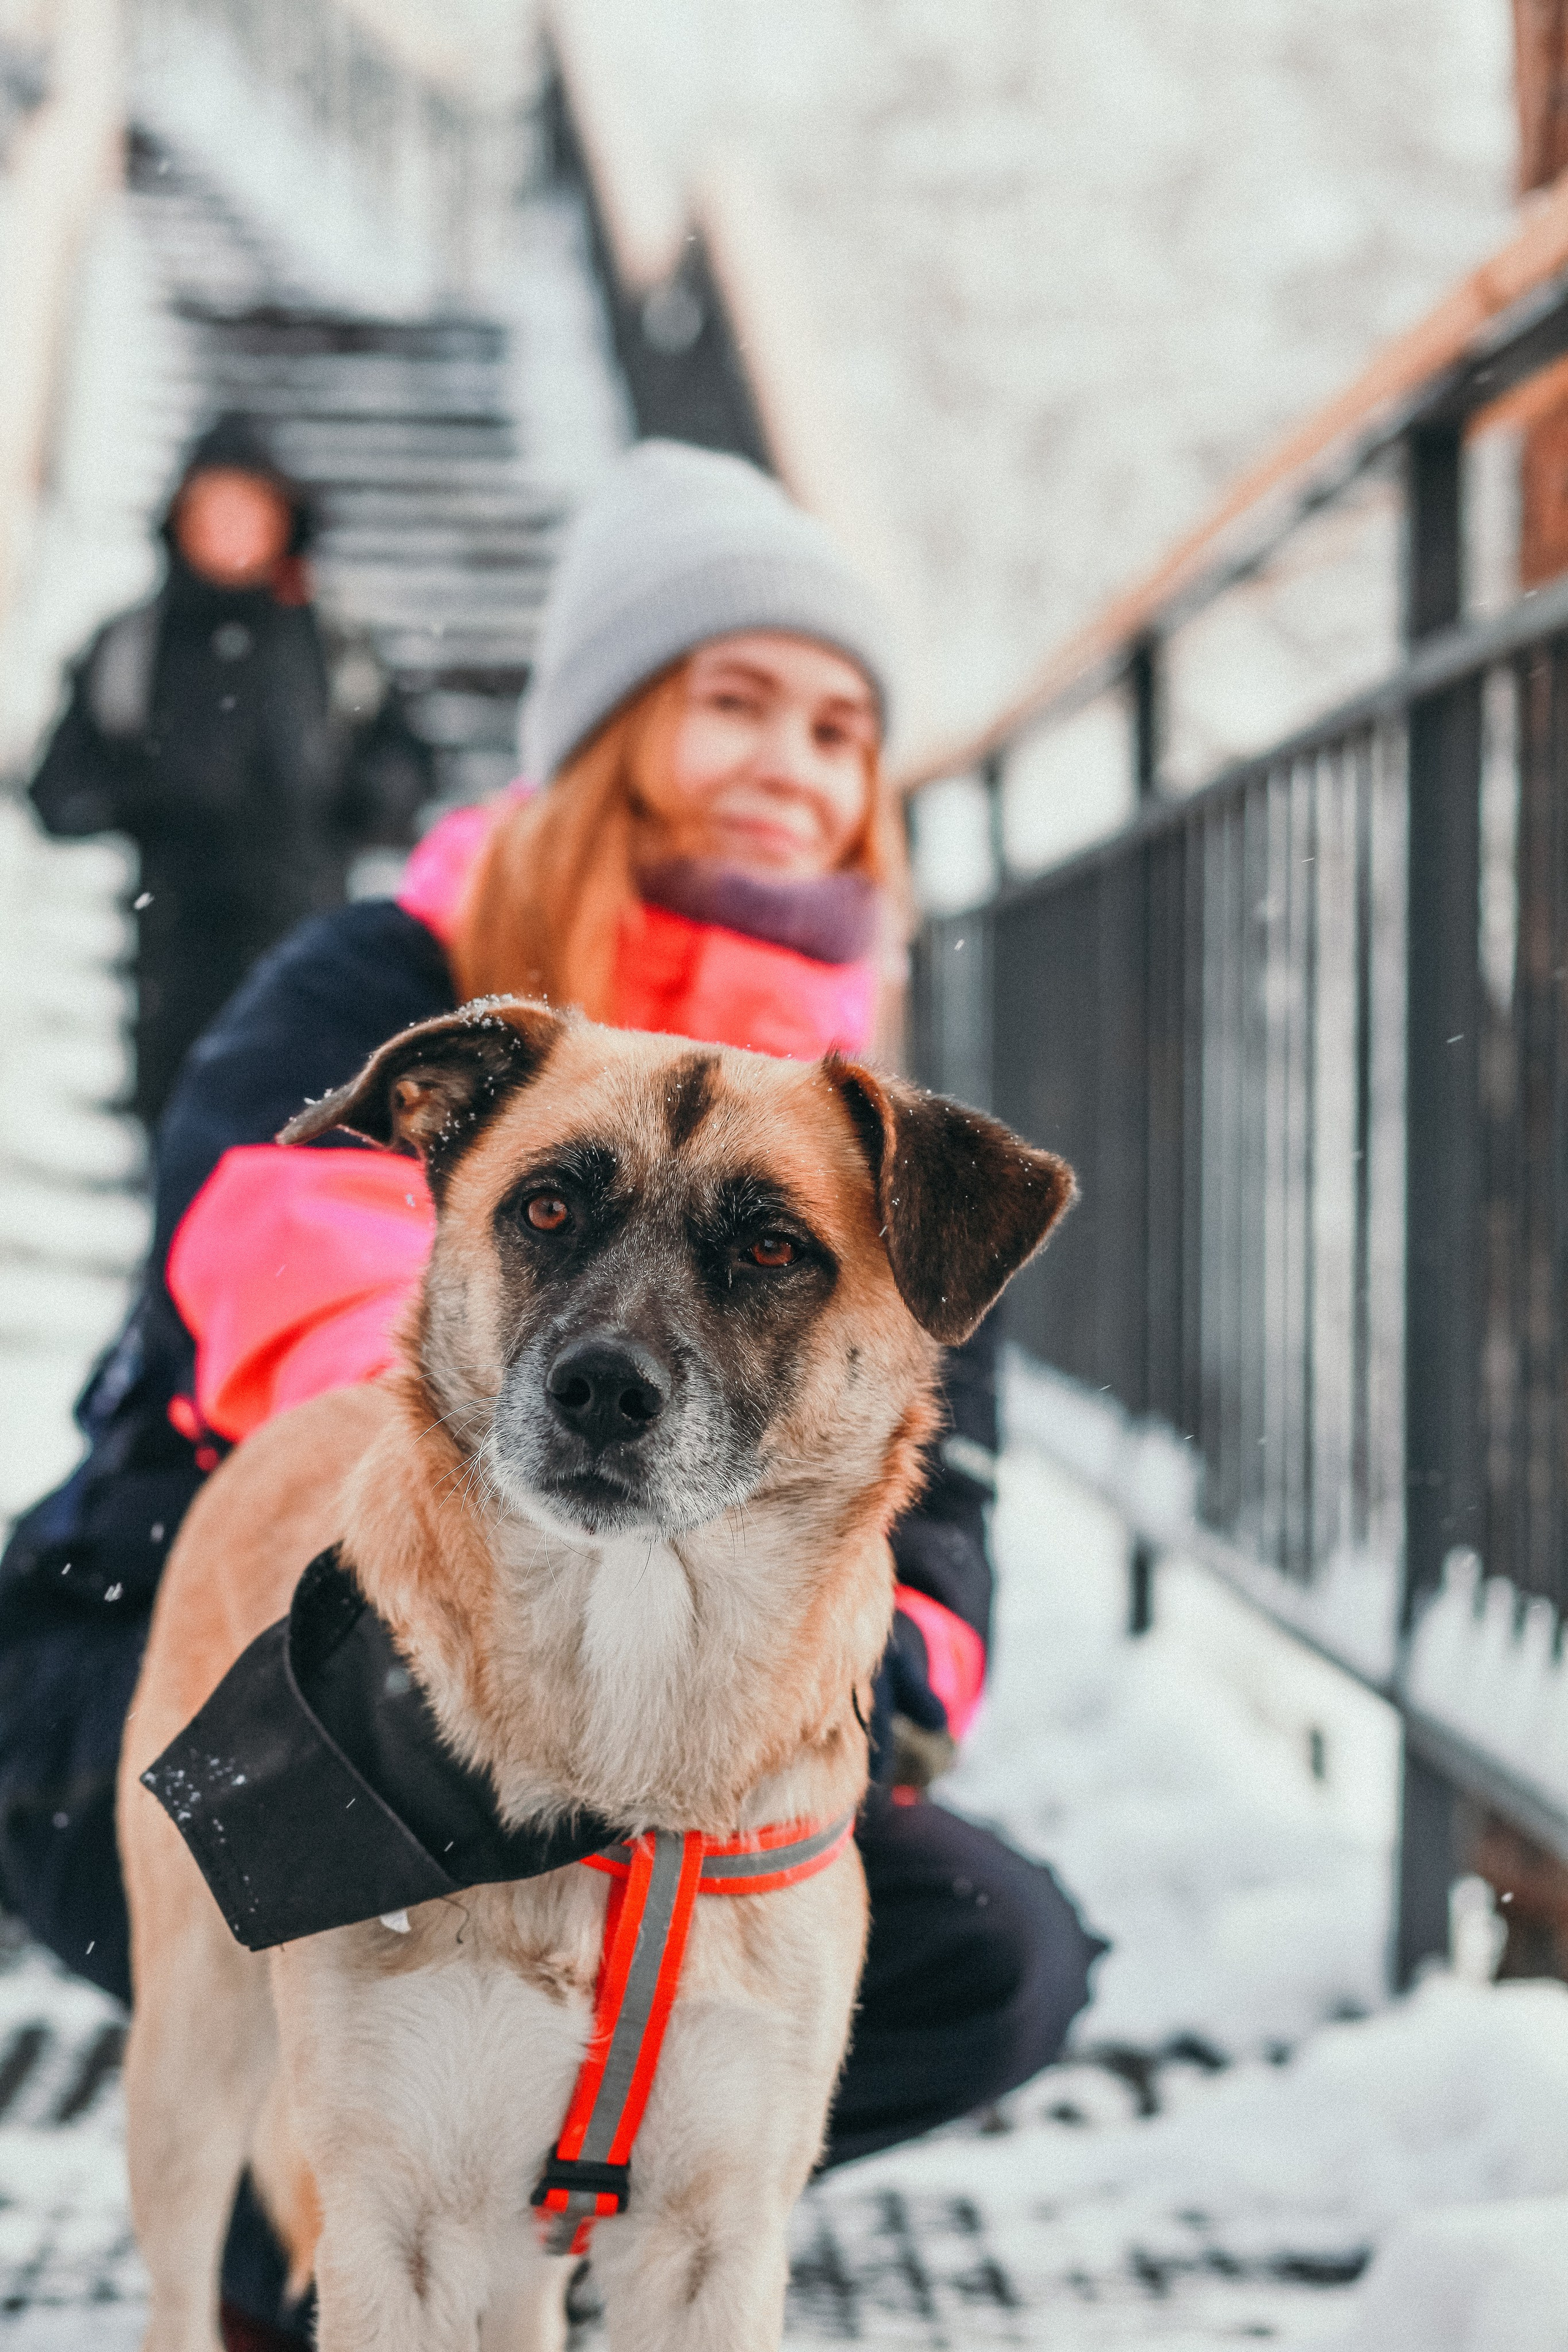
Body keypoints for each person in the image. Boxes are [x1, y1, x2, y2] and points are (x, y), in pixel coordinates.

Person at [0, 439, 1104, 2350]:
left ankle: (518, 2197)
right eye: (728, 694)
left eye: (835, 721)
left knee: (972, 1940)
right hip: (242, 1660)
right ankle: (290, 2250)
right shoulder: (387, 982)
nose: (786, 750)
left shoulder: (876, 1147)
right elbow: (290, 1256)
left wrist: (865, 1673)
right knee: (315, 2102)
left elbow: (949, 1507)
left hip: (689, 1743)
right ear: (604, 732)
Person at [28, 411, 434, 1131]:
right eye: (210, 510)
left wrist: (352, 799)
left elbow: (409, 770)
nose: (230, 529)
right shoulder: (133, 644)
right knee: (182, 1160)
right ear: (178, 520)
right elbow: (56, 791)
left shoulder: (333, 643)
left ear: (284, 519)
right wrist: (146, 797)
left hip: (310, 961)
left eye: (248, 509)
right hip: (174, 970)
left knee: (300, 1169)